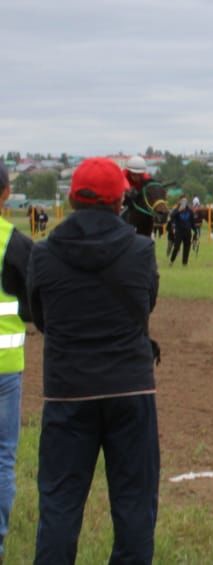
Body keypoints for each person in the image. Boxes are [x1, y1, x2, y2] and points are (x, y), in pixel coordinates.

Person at [27, 156, 160, 562]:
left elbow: (42, 316)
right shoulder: (141, 251)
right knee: (134, 505)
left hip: (68, 393)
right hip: (131, 391)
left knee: (60, 506)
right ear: (120, 201)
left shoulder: (43, 254)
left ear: (71, 200)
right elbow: (144, 307)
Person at [0, 162, 33, 561]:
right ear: (7, 193)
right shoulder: (15, 241)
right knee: (3, 456)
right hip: (7, 364)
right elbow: (33, 301)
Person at [166, 196, 195, 266]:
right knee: (176, 247)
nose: (184, 202)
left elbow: (192, 222)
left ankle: (184, 263)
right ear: (180, 202)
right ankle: (171, 261)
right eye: (182, 201)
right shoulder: (176, 210)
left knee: (187, 247)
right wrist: (179, 210)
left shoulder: (190, 211)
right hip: (179, 232)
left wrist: (196, 232)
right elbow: (171, 216)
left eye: (185, 201)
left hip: (188, 232)